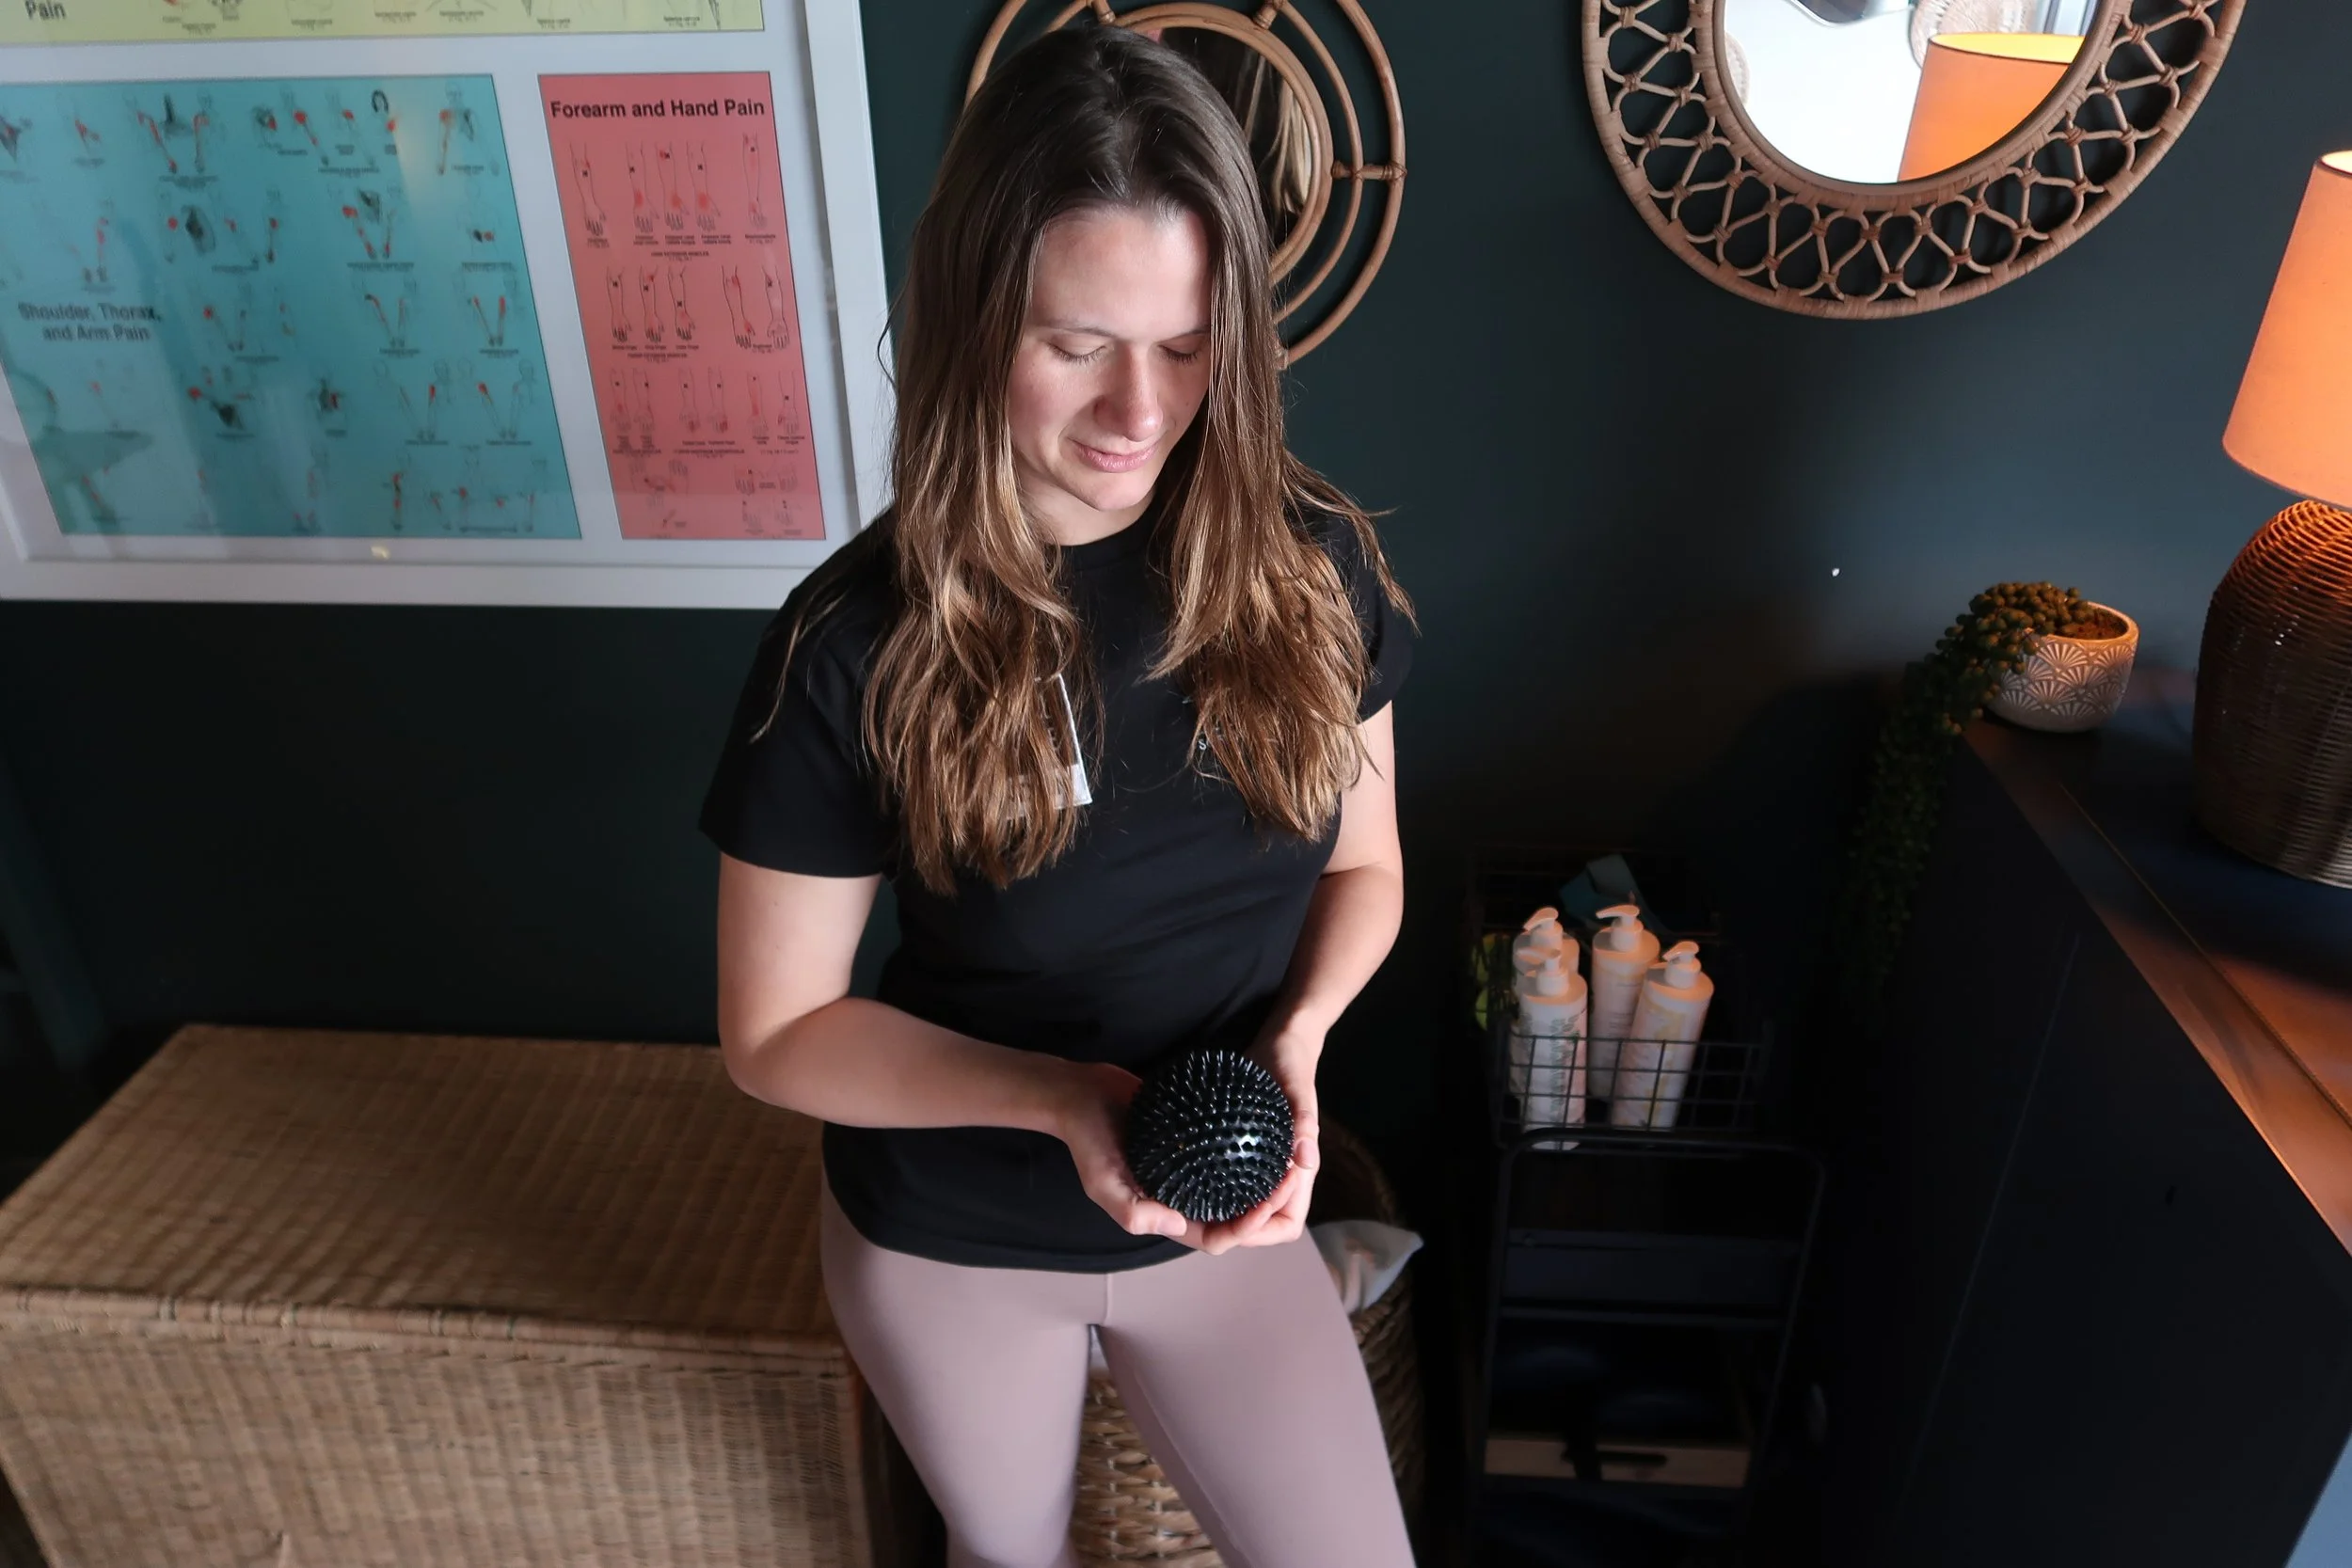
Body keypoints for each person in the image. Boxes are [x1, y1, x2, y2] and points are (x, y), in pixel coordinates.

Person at [701, 25, 1416, 1568]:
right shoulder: (855, 645)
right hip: (954, 1229)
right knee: (1006, 1552)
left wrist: (1292, 1051)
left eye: (1184, 342)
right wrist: (1062, 1103)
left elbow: (1368, 873)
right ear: (971, 321)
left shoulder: (1310, 568)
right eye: (1076, 341)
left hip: (1228, 1216)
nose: (1136, 412)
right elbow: (773, 1034)